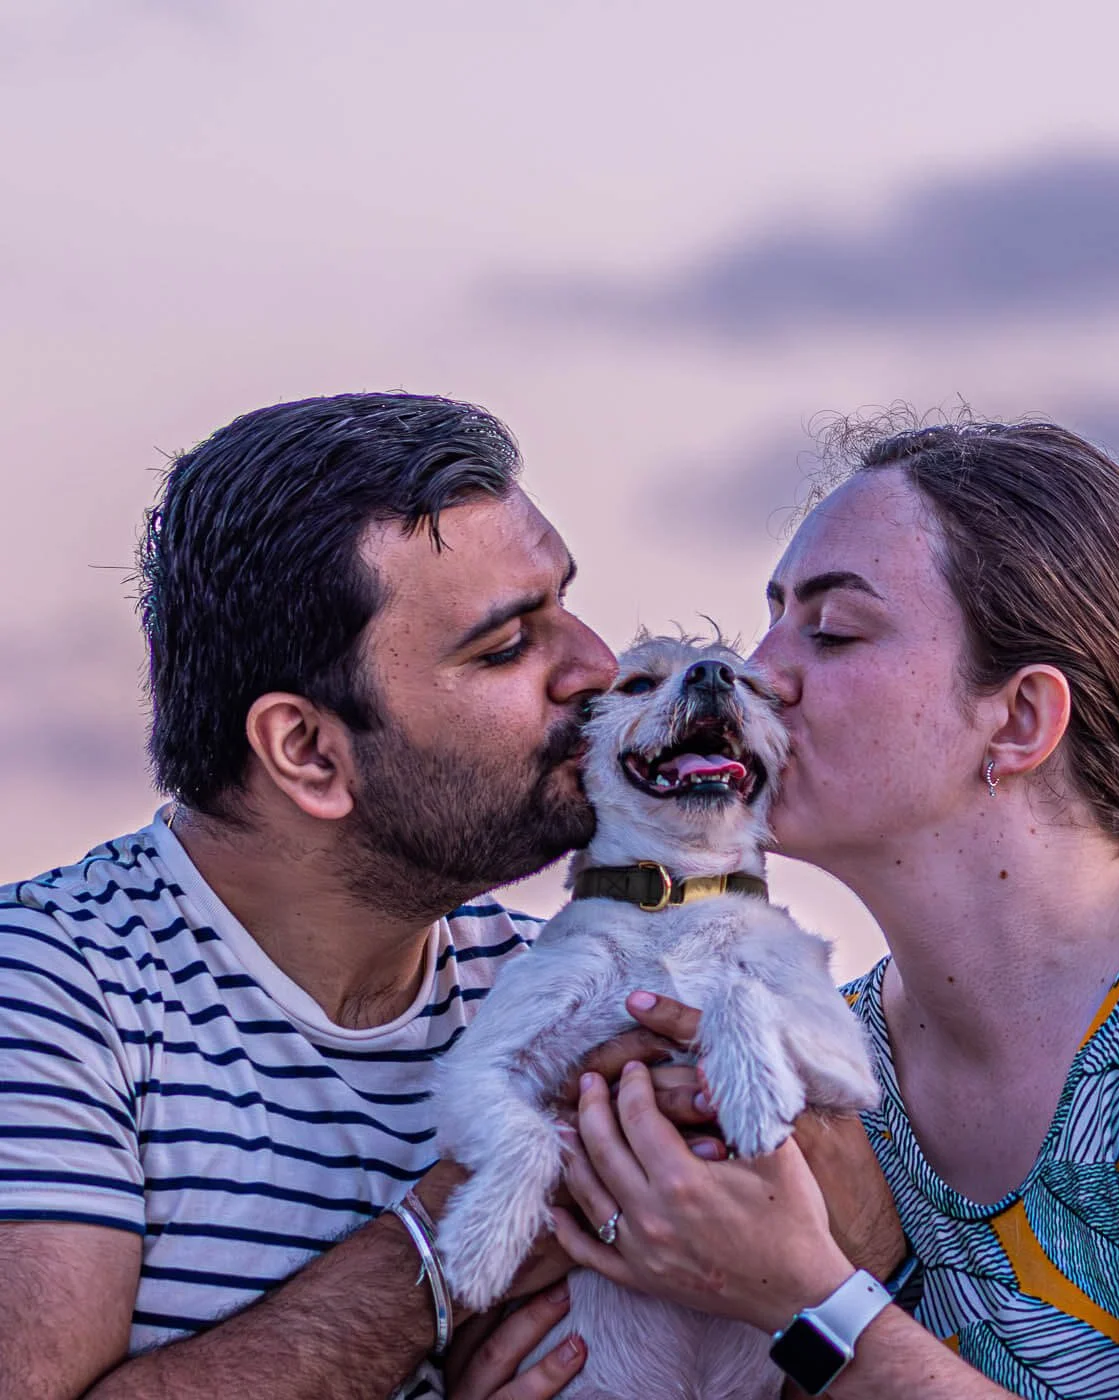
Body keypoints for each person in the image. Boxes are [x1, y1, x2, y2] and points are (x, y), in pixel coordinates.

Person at [553, 417, 1119, 1399]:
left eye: (829, 630)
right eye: (773, 617)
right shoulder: (823, 1062)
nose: (758, 671)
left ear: (1020, 719)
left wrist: (807, 1301)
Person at [0, 392, 729, 1400]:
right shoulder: (48, 988)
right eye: (507, 644)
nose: (597, 667)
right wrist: (466, 1218)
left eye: (562, 599)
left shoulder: (558, 987)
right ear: (307, 750)